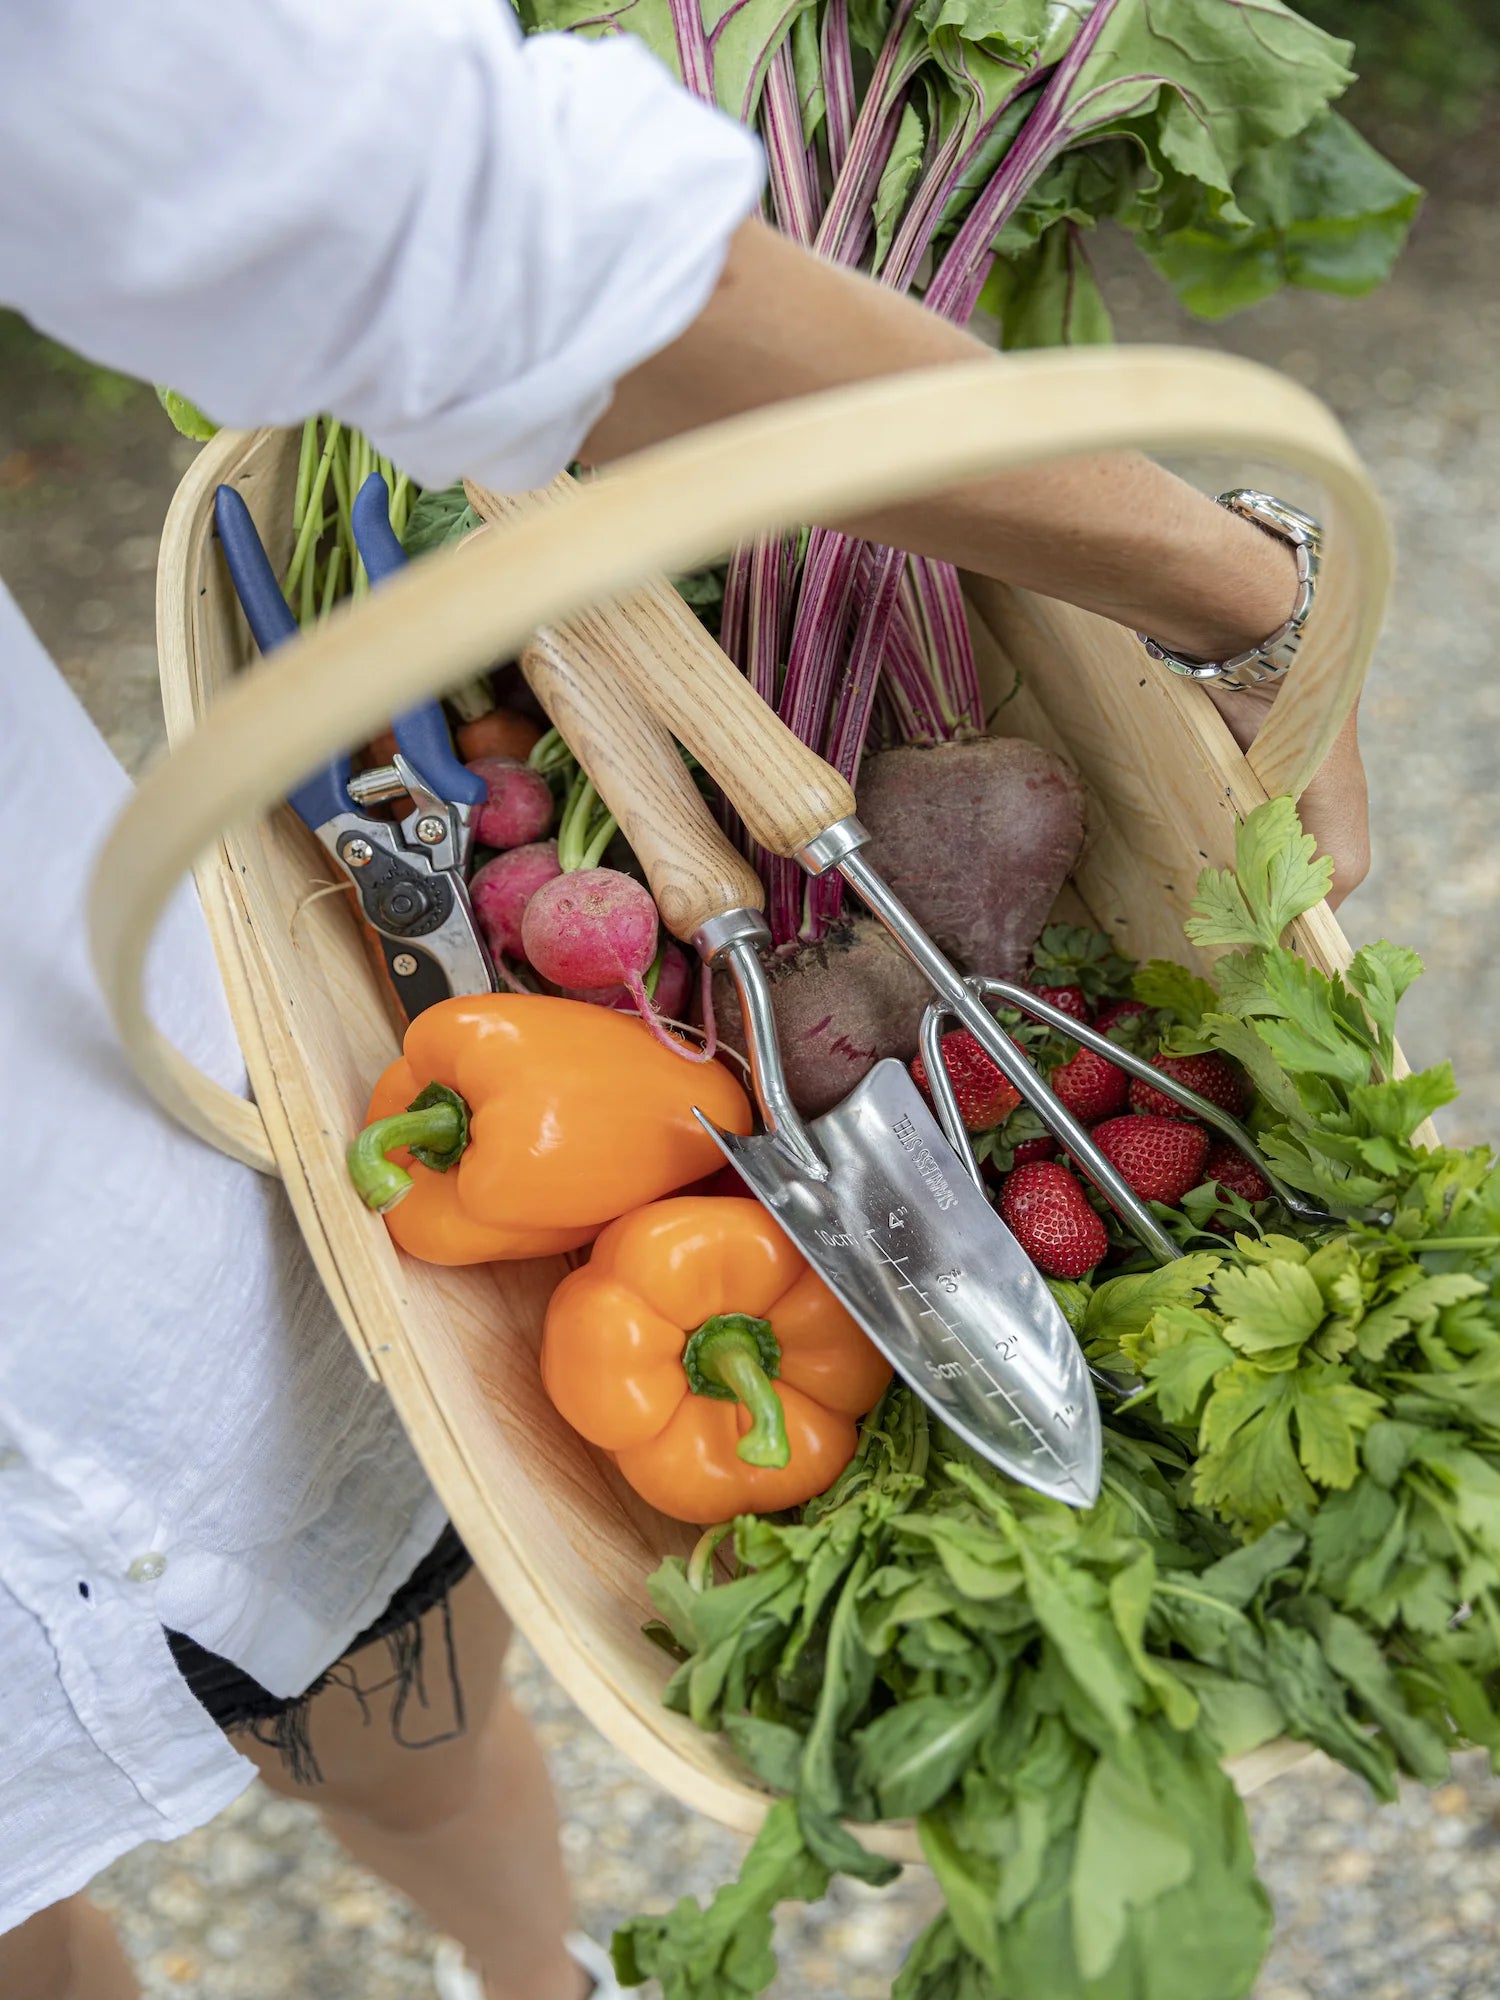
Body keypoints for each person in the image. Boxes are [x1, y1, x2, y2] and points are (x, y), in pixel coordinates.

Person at [0, 2, 1371, 1997]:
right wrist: (1250, 586)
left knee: (406, 1704)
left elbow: (422, 220)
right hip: (151, 1138)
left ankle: (536, 1974)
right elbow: (472, 241)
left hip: (105, 1204)